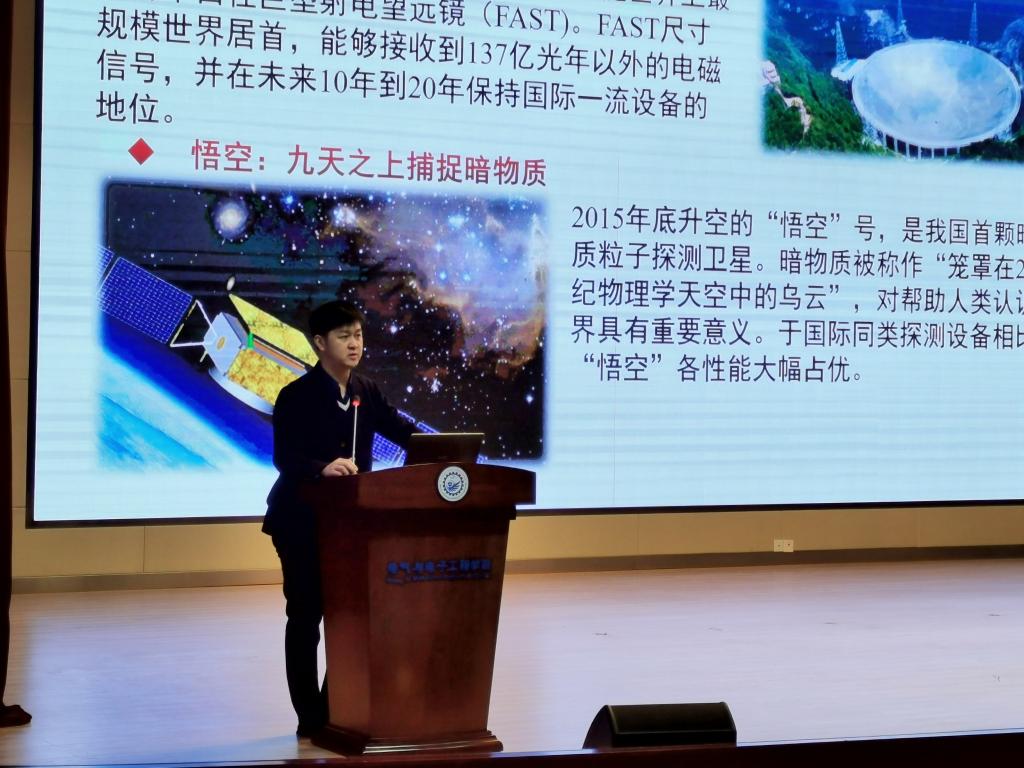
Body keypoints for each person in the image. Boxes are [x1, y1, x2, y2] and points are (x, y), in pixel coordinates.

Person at [263, 300, 415, 737]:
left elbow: (403, 432)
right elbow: (285, 457)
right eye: (344, 336)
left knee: (352, 617)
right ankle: (308, 717)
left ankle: (334, 707)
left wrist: (445, 449)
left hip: (352, 524)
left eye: (359, 335)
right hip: (301, 521)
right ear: (319, 343)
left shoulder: (366, 391)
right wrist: (321, 468)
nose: (354, 344)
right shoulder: (295, 395)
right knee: (306, 615)